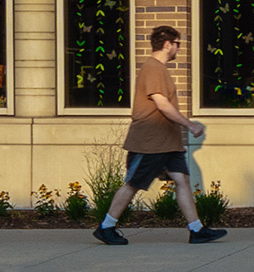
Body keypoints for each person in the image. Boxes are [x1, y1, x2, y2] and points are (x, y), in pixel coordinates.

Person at [92, 26, 227, 245]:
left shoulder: (159, 69)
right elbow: (162, 104)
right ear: (167, 44)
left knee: (181, 179)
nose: (178, 49)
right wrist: (189, 125)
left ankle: (196, 229)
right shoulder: (152, 68)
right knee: (133, 184)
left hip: (167, 142)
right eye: (177, 44)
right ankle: (106, 227)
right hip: (150, 142)